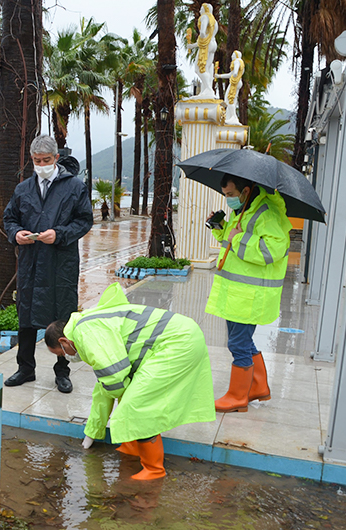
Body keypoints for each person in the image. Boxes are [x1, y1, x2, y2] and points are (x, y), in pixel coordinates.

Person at [45, 283, 215, 480]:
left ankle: (154, 469)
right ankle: (132, 446)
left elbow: (114, 380)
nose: (66, 358)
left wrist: (123, 406)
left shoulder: (86, 334)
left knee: (137, 405)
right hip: (181, 335)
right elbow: (104, 389)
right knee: (127, 397)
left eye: (61, 354)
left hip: (177, 342)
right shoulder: (85, 326)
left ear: (64, 342)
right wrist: (92, 432)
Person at [3, 135, 93, 394]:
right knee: (26, 316)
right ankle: (25, 368)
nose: (40, 164)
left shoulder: (75, 186)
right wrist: (16, 233)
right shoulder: (23, 189)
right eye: (36, 160)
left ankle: (62, 372)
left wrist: (60, 234)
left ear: (56, 158)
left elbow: (84, 221)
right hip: (31, 263)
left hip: (60, 262)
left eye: (45, 160)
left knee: (62, 317)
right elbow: (10, 218)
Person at [206, 174, 292, 413]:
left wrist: (240, 237)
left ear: (245, 190)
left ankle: (237, 397)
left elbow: (273, 250)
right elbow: (229, 242)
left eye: (231, 195)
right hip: (236, 293)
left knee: (238, 343)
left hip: (251, 295)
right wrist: (220, 227)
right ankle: (258, 387)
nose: (228, 200)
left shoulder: (268, 213)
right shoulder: (243, 209)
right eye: (225, 195)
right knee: (241, 341)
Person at [184, 3, 218, 100]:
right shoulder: (214, 21)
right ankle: (205, 90)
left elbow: (203, 33)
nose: (199, 11)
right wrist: (193, 45)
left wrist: (196, 42)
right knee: (207, 68)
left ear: (205, 9)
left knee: (199, 68)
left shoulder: (204, 17)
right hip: (213, 44)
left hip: (206, 45)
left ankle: (208, 89)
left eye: (201, 9)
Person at [215, 50, 245, 126]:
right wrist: (219, 76)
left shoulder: (237, 61)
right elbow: (230, 74)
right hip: (237, 82)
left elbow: (234, 72)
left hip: (235, 82)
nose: (231, 56)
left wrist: (235, 73)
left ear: (236, 55)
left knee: (230, 99)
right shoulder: (240, 62)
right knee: (230, 99)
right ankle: (230, 116)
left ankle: (233, 117)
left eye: (233, 55)